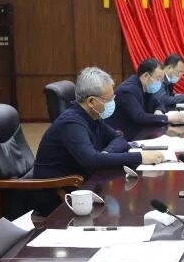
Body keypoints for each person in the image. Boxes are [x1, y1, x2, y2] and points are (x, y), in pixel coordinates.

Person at [34, 67, 165, 179]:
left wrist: (106, 153)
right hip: (58, 190)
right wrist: (140, 157)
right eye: (109, 99)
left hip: (82, 182)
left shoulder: (92, 115)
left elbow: (118, 137)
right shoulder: (71, 123)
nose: (112, 103)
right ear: (91, 101)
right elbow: (91, 161)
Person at [111, 58, 184, 140]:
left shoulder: (145, 87)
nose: (160, 83)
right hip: (122, 137)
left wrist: (158, 111)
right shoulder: (127, 91)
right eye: (158, 79)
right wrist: (168, 118)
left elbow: (158, 103)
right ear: (146, 76)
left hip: (138, 132)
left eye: (161, 80)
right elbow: (140, 117)